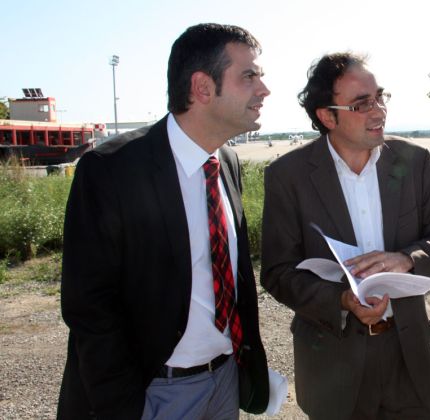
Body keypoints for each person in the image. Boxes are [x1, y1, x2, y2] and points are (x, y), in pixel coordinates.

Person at [57, 23, 271, 419]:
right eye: (249, 76)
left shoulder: (226, 162)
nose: (264, 89)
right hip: (153, 393)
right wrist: (124, 406)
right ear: (203, 88)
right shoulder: (111, 169)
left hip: (224, 383)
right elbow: (89, 305)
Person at [261, 52, 430, 419]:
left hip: (409, 356)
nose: (379, 110)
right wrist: (341, 299)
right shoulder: (288, 176)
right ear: (326, 116)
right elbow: (277, 272)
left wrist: (407, 260)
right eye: (361, 103)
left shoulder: (414, 162)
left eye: (380, 97)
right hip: (332, 365)